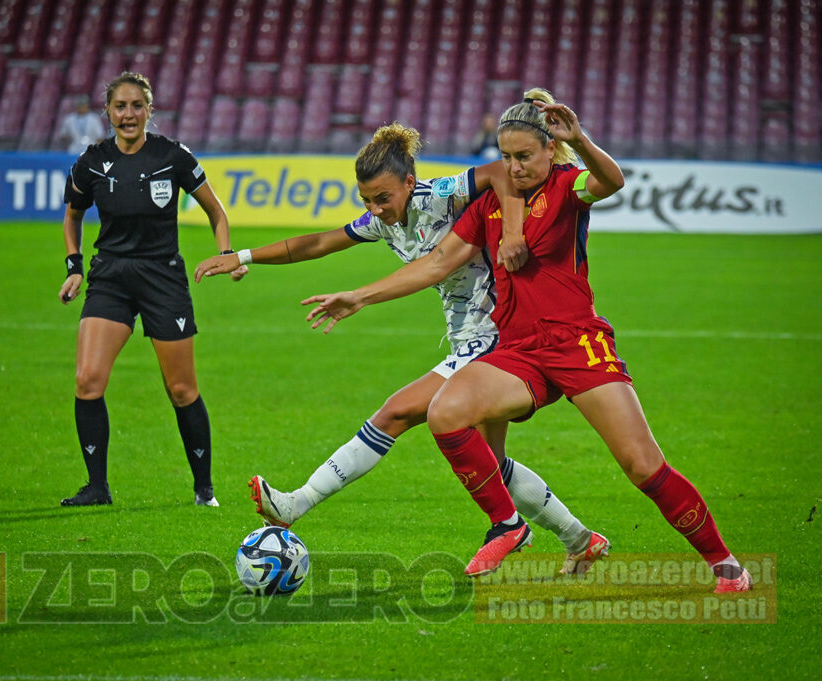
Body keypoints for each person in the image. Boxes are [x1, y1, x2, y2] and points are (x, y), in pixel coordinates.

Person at [303, 89, 752, 592]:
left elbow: (611, 181)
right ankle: (508, 525)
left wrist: (578, 139)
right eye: (507, 158)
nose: (515, 168)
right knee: (445, 414)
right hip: (517, 352)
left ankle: (725, 564)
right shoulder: (489, 206)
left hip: (576, 343)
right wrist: (360, 297)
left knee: (642, 465)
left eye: (525, 156)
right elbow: (437, 263)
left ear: (548, 151)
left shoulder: (567, 186)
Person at [195, 122, 611, 576]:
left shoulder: (441, 194)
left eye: (382, 198)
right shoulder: (382, 221)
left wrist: (512, 232)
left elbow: (497, 172)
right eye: (367, 201)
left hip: (494, 335)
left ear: (409, 183)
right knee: (494, 464)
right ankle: (580, 539)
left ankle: (297, 503)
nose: (375, 209)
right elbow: (317, 242)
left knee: (395, 413)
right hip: (470, 338)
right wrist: (244, 256)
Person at [58, 72, 246, 508]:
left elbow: (217, 212)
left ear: (149, 110)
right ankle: (97, 488)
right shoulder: (90, 162)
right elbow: (72, 217)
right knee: (87, 381)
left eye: (136, 106)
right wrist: (74, 267)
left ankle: (204, 489)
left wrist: (227, 254)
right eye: (120, 107)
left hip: (162, 278)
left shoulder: (173, 156)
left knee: (181, 390)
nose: (128, 114)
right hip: (110, 278)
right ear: (108, 112)